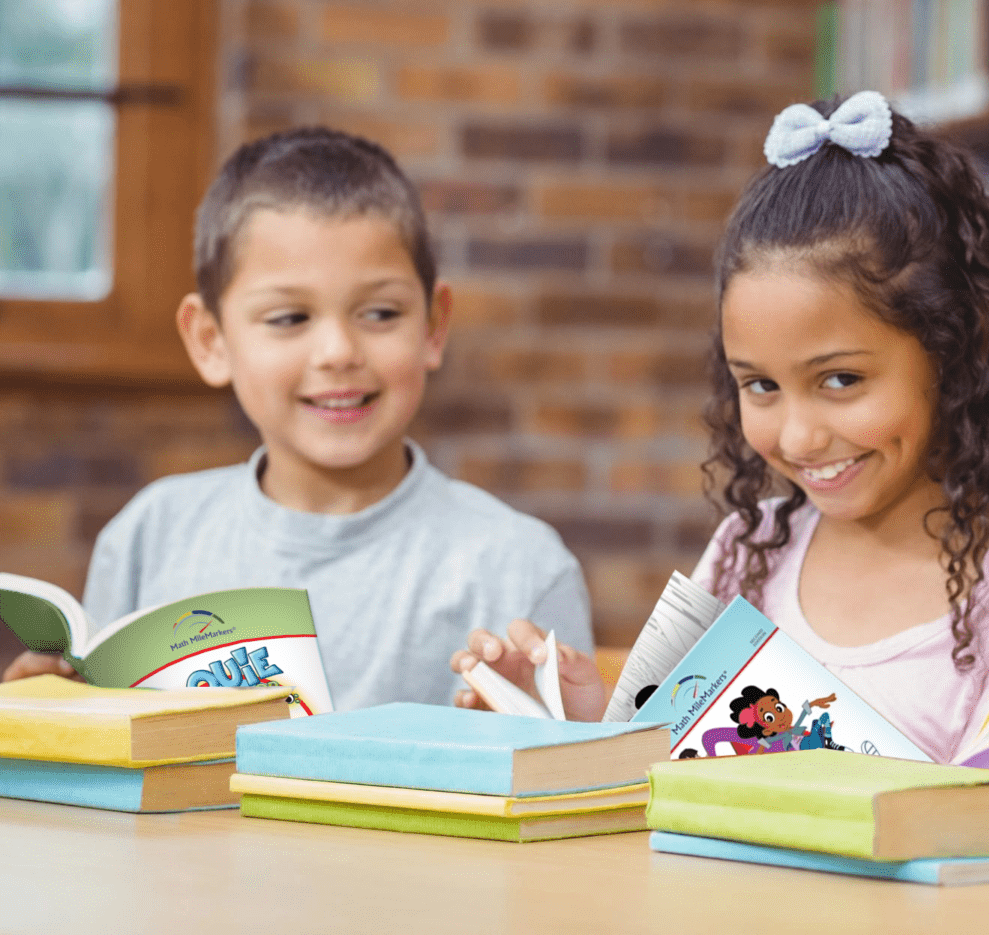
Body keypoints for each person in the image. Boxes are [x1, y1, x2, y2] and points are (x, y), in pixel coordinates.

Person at [452, 91, 989, 761]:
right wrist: (580, 717)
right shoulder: (744, 556)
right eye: (761, 386)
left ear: (955, 355)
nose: (801, 436)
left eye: (841, 380)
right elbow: (666, 772)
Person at [1, 126, 593, 709]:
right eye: (288, 319)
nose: (338, 352)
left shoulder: (522, 566)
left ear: (434, 327)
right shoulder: (148, 537)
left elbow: (581, 785)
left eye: (381, 312)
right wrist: (51, 720)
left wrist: (537, 744)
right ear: (210, 340)